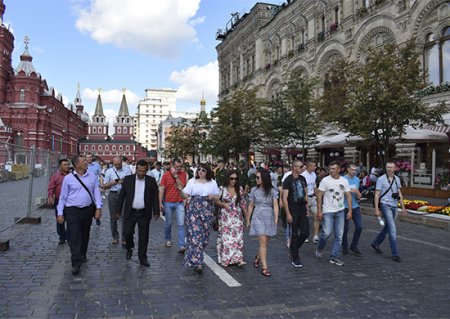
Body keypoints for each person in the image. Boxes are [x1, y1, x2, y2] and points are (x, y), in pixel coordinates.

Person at [57, 155, 102, 275]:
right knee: (74, 235)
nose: (86, 162)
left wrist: (98, 208)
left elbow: (96, 192)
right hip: (72, 210)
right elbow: (63, 197)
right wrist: (60, 213)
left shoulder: (92, 176)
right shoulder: (68, 178)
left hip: (87, 210)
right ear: (76, 164)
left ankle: (82, 254)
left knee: (84, 234)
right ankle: (75, 262)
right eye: (83, 161)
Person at [116, 160, 160, 267]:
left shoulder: (151, 181)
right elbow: (122, 196)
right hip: (130, 212)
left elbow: (154, 197)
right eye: (139, 170)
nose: (141, 173)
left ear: (146, 170)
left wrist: (156, 211)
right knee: (127, 233)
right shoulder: (128, 179)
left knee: (144, 237)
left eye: (143, 171)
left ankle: (143, 258)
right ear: (136, 169)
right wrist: (117, 211)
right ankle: (129, 247)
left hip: (144, 213)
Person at [179, 163, 220, 274]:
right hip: (194, 210)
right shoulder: (192, 181)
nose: (200, 172)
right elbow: (185, 195)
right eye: (199, 170)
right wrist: (180, 190)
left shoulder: (213, 183)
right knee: (196, 236)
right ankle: (198, 262)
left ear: (207, 172)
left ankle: (196, 255)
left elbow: (218, 196)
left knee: (204, 238)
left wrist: (213, 197)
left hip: (207, 211)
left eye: (203, 170)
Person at [315, 161, 352, 267]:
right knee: (326, 233)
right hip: (328, 210)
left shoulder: (344, 181)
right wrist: (319, 211)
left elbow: (348, 195)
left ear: (339, 169)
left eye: (333, 168)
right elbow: (320, 196)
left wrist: (349, 210)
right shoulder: (325, 180)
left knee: (339, 235)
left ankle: (334, 256)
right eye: (330, 168)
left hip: (340, 210)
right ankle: (320, 247)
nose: (331, 170)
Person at [371, 162, 407, 262]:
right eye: (387, 167)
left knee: (387, 227)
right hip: (385, 205)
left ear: (395, 168)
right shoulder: (381, 179)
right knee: (392, 229)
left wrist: (403, 207)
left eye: (391, 167)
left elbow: (399, 193)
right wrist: (377, 209)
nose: (389, 169)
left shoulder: (397, 179)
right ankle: (395, 254)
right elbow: (377, 194)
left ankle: (376, 243)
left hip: (394, 206)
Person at [246, 169, 279, 277]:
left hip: (269, 216)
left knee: (266, 242)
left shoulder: (272, 190)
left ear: (264, 178)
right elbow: (251, 205)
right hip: (258, 215)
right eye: (256, 177)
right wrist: (248, 219)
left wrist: (276, 217)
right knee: (263, 242)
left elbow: (275, 204)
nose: (256, 179)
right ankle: (265, 267)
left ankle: (258, 257)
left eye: (258, 177)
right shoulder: (254, 190)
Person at [216, 170, 248, 267]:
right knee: (226, 239)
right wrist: (223, 204)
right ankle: (226, 259)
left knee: (238, 238)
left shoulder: (240, 189)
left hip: (237, 217)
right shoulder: (222, 189)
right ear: (228, 178)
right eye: (232, 178)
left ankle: (238, 258)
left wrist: (247, 219)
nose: (234, 180)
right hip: (225, 216)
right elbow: (216, 201)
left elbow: (243, 204)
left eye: (236, 179)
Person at [283, 160, 308, 268]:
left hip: (302, 209)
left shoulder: (303, 179)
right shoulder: (288, 180)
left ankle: (294, 248)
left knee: (305, 232)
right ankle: (295, 257)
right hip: (293, 209)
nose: (303, 168)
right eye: (301, 166)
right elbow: (284, 198)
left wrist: (307, 205)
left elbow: (306, 192)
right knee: (294, 234)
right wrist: (288, 213)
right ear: (294, 167)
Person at [159, 158, 187, 252]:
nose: (178, 169)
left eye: (180, 167)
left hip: (179, 202)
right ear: (172, 165)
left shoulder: (183, 174)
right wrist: (160, 202)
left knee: (181, 224)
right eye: (176, 167)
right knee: (168, 223)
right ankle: (168, 239)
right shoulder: (166, 175)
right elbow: (162, 189)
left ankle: (182, 245)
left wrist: (176, 176)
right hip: (168, 202)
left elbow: (182, 186)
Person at [103, 156, 132, 244]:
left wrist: (124, 181)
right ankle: (115, 236)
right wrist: (112, 183)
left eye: (119, 164)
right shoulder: (109, 171)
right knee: (113, 217)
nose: (117, 166)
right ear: (113, 163)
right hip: (113, 194)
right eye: (115, 164)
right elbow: (104, 186)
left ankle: (124, 238)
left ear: (121, 163)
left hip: (124, 195)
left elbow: (132, 182)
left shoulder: (127, 170)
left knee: (124, 217)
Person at [342, 163, 363, 256]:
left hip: (355, 206)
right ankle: (345, 247)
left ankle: (353, 246)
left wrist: (357, 192)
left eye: (355, 170)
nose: (354, 172)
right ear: (348, 169)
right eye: (352, 170)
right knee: (345, 229)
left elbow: (359, 196)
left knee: (359, 227)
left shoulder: (357, 180)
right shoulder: (343, 179)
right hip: (344, 206)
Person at [48, 158, 70, 245]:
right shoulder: (55, 176)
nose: (67, 166)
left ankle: (69, 236)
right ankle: (62, 236)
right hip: (59, 202)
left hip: (70, 202)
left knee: (70, 221)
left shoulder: (72, 175)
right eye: (65, 165)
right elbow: (51, 187)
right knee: (60, 220)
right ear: (60, 167)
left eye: (68, 164)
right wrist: (50, 196)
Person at [301, 161, 317, 243]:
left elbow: (314, 186)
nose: (315, 167)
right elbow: (303, 189)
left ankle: (316, 235)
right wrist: (305, 200)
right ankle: (304, 235)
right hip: (305, 197)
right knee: (305, 217)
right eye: (314, 165)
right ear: (309, 166)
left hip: (313, 197)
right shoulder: (303, 175)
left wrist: (316, 196)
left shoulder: (314, 174)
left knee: (316, 215)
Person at [86, 152, 102, 226]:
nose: (89, 158)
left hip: (95, 187)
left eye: (90, 157)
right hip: (86, 187)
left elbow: (100, 175)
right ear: (86, 158)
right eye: (88, 157)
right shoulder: (83, 165)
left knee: (96, 202)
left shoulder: (96, 165)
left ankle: (97, 217)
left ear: (92, 157)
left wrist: (101, 185)